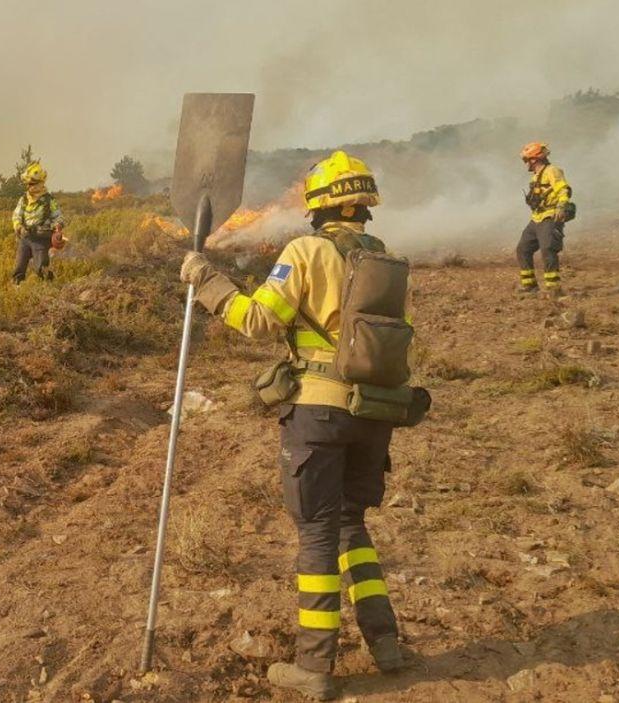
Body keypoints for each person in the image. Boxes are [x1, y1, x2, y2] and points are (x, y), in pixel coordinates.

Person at [179, 151, 406, 700]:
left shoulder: (305, 251)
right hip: (374, 414)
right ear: (364, 203)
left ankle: (314, 666)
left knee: (318, 532)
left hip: (319, 414)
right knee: (353, 524)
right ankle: (387, 644)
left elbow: (258, 321)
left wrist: (208, 282)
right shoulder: (386, 259)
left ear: (320, 203)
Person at [516, 142, 573, 296]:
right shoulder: (536, 176)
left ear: (534, 159)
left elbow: (563, 189)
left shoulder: (552, 171)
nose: (526, 164)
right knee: (523, 249)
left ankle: (554, 290)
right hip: (537, 218)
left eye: (527, 160)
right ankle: (530, 287)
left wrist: (561, 206)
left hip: (550, 216)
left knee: (548, 250)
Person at [11, 162, 64, 284]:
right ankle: (16, 289)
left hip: (41, 239)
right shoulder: (23, 199)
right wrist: (18, 227)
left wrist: (58, 226)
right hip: (25, 238)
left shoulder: (49, 200)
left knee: (41, 268)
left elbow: (59, 217)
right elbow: (16, 216)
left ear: (41, 183)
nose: (30, 187)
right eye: (29, 184)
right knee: (19, 267)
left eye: (33, 184)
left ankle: (48, 288)